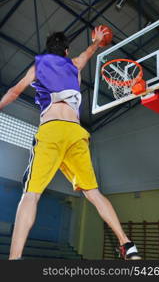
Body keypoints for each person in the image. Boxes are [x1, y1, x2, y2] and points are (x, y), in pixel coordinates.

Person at [0, 26, 141, 260]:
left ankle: (14, 261)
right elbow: (90, 51)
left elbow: (15, 92)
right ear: (66, 51)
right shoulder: (75, 64)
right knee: (93, 193)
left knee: (31, 194)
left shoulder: (38, 67)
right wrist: (97, 41)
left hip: (52, 129)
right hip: (76, 132)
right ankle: (127, 244)